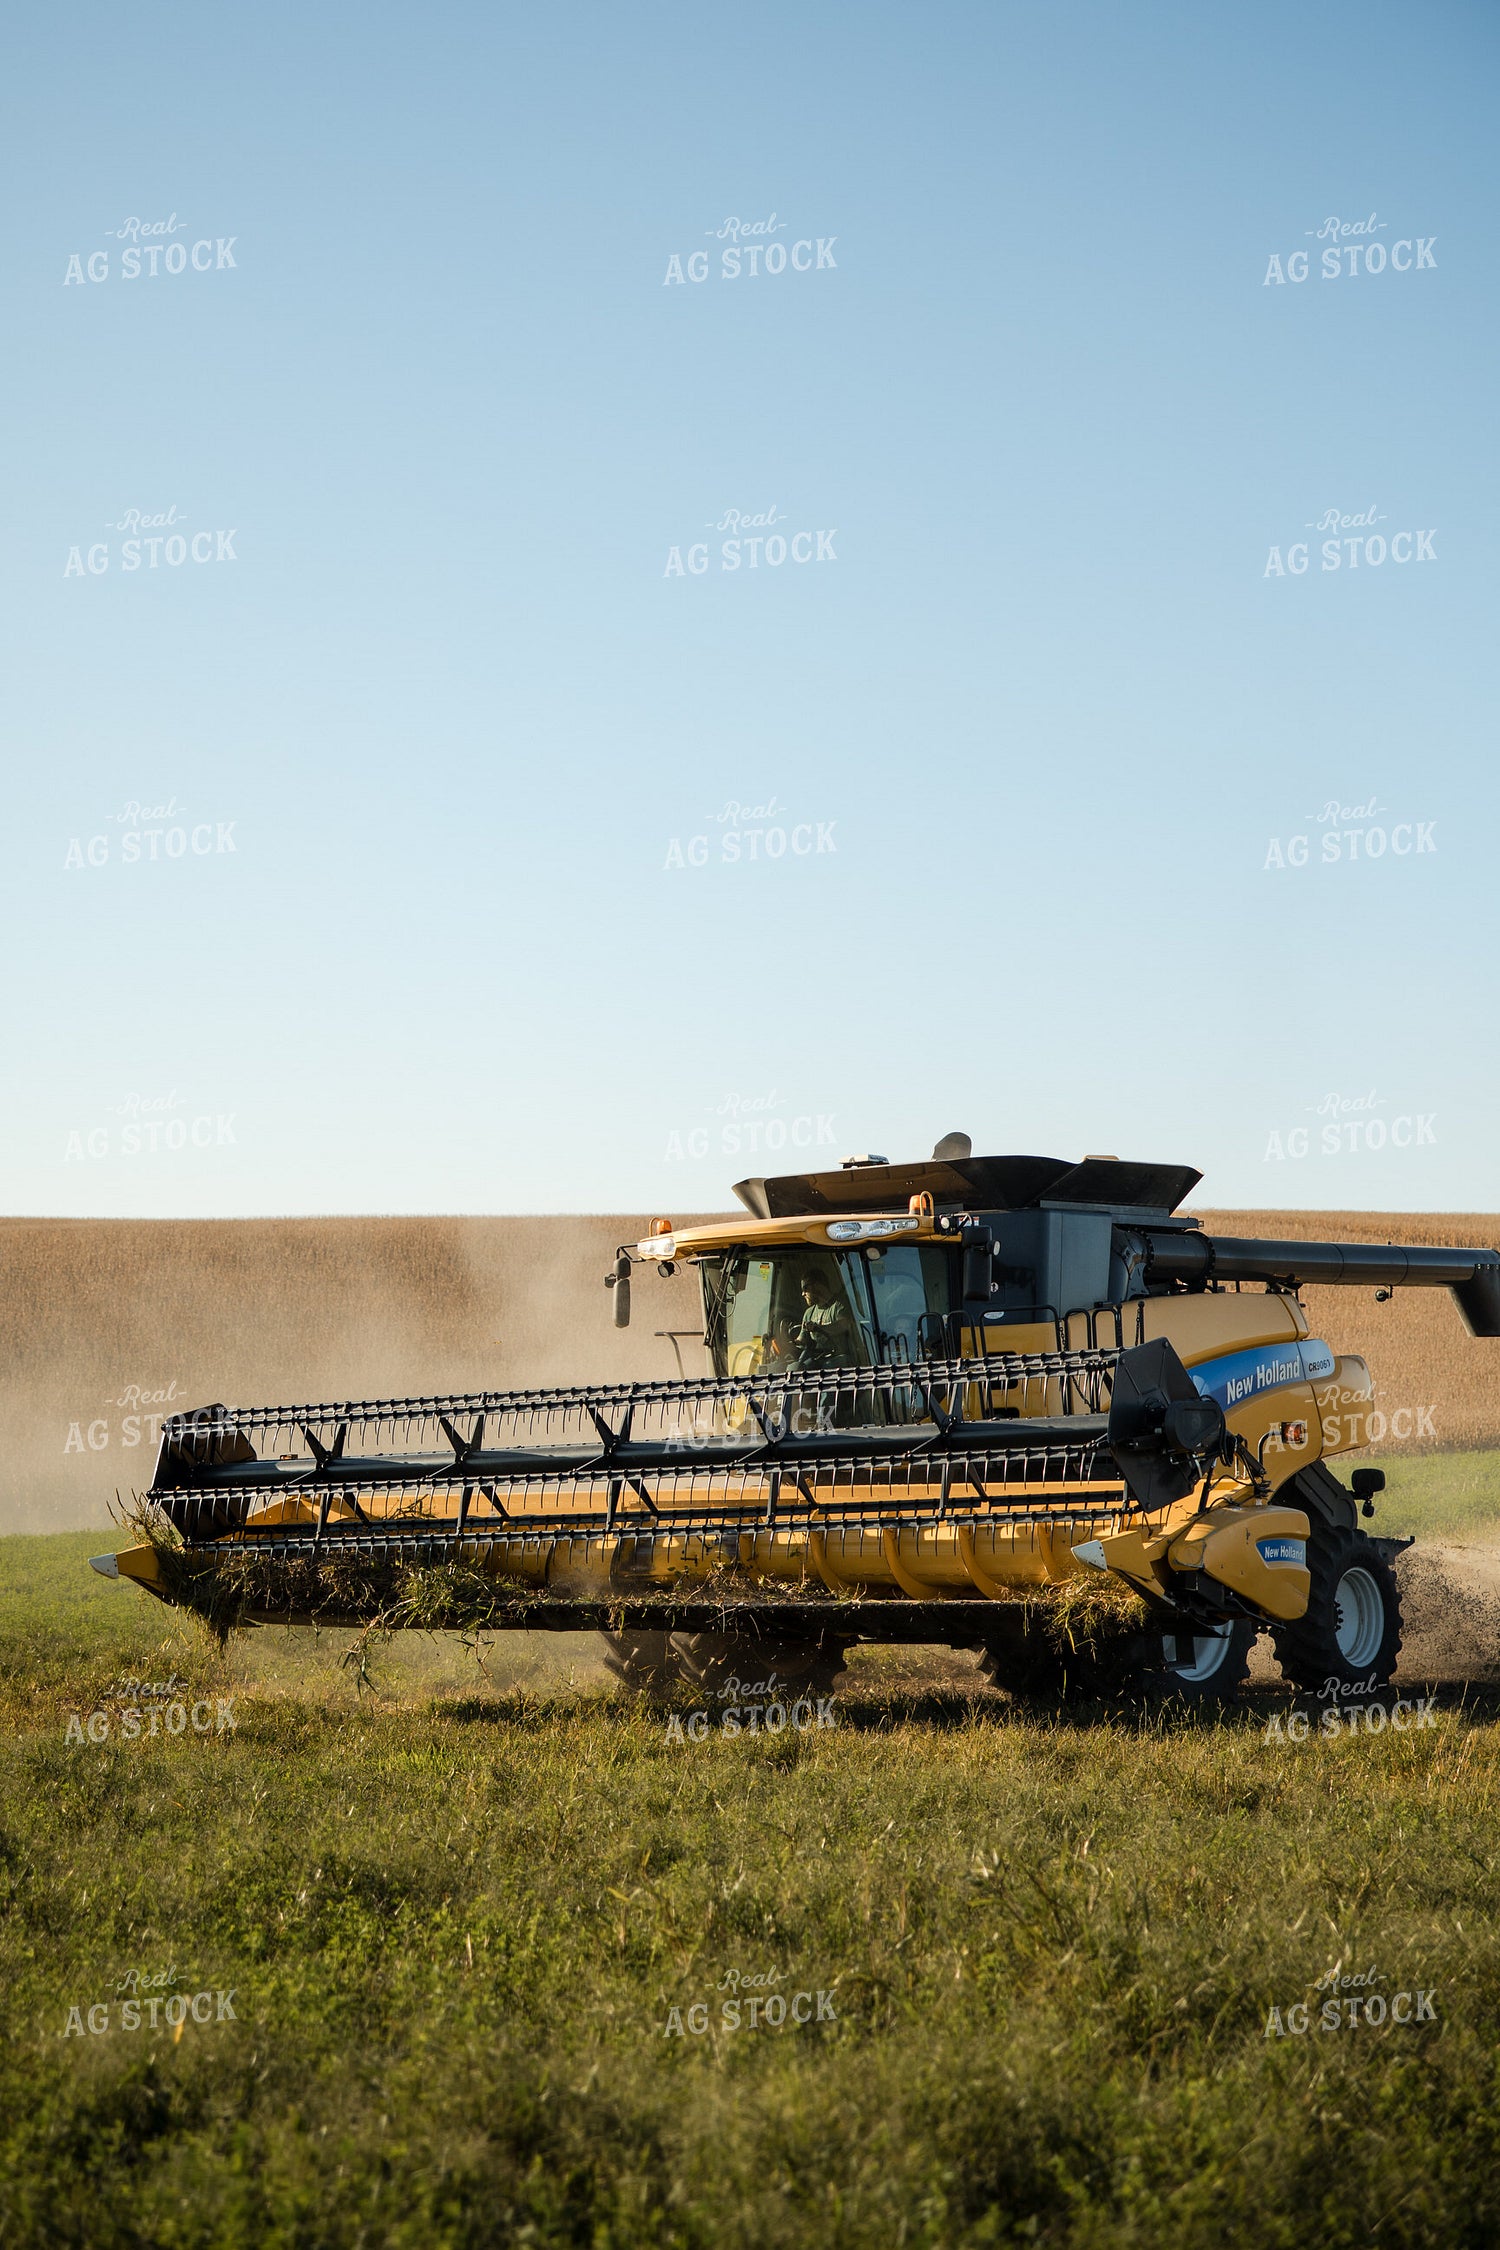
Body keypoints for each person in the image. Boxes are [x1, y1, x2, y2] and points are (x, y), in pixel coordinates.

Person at [789, 1270, 859, 1368]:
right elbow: (802, 1340)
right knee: (795, 1367)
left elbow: (843, 1325)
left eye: (805, 1288)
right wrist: (787, 1343)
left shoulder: (839, 1304)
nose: (803, 1294)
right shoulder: (809, 1313)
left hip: (839, 1359)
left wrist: (819, 1328)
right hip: (818, 1359)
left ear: (817, 1285)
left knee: (830, 1365)